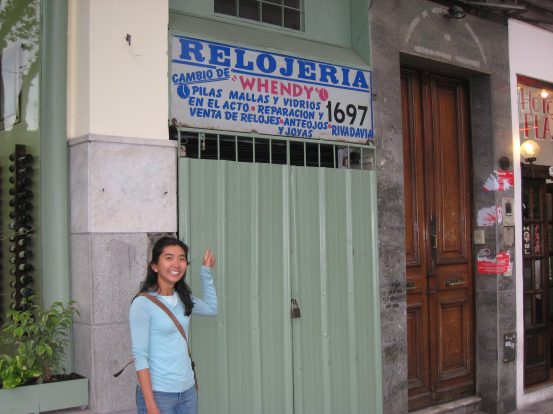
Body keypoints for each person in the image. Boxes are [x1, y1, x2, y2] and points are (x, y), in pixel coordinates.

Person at [129, 236, 217, 414]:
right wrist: (150, 404)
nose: (176, 264)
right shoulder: (143, 303)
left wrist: (206, 272)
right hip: (159, 393)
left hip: (188, 391)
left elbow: (211, 309)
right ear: (155, 266)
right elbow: (140, 357)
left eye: (182, 259)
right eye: (169, 258)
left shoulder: (184, 298)